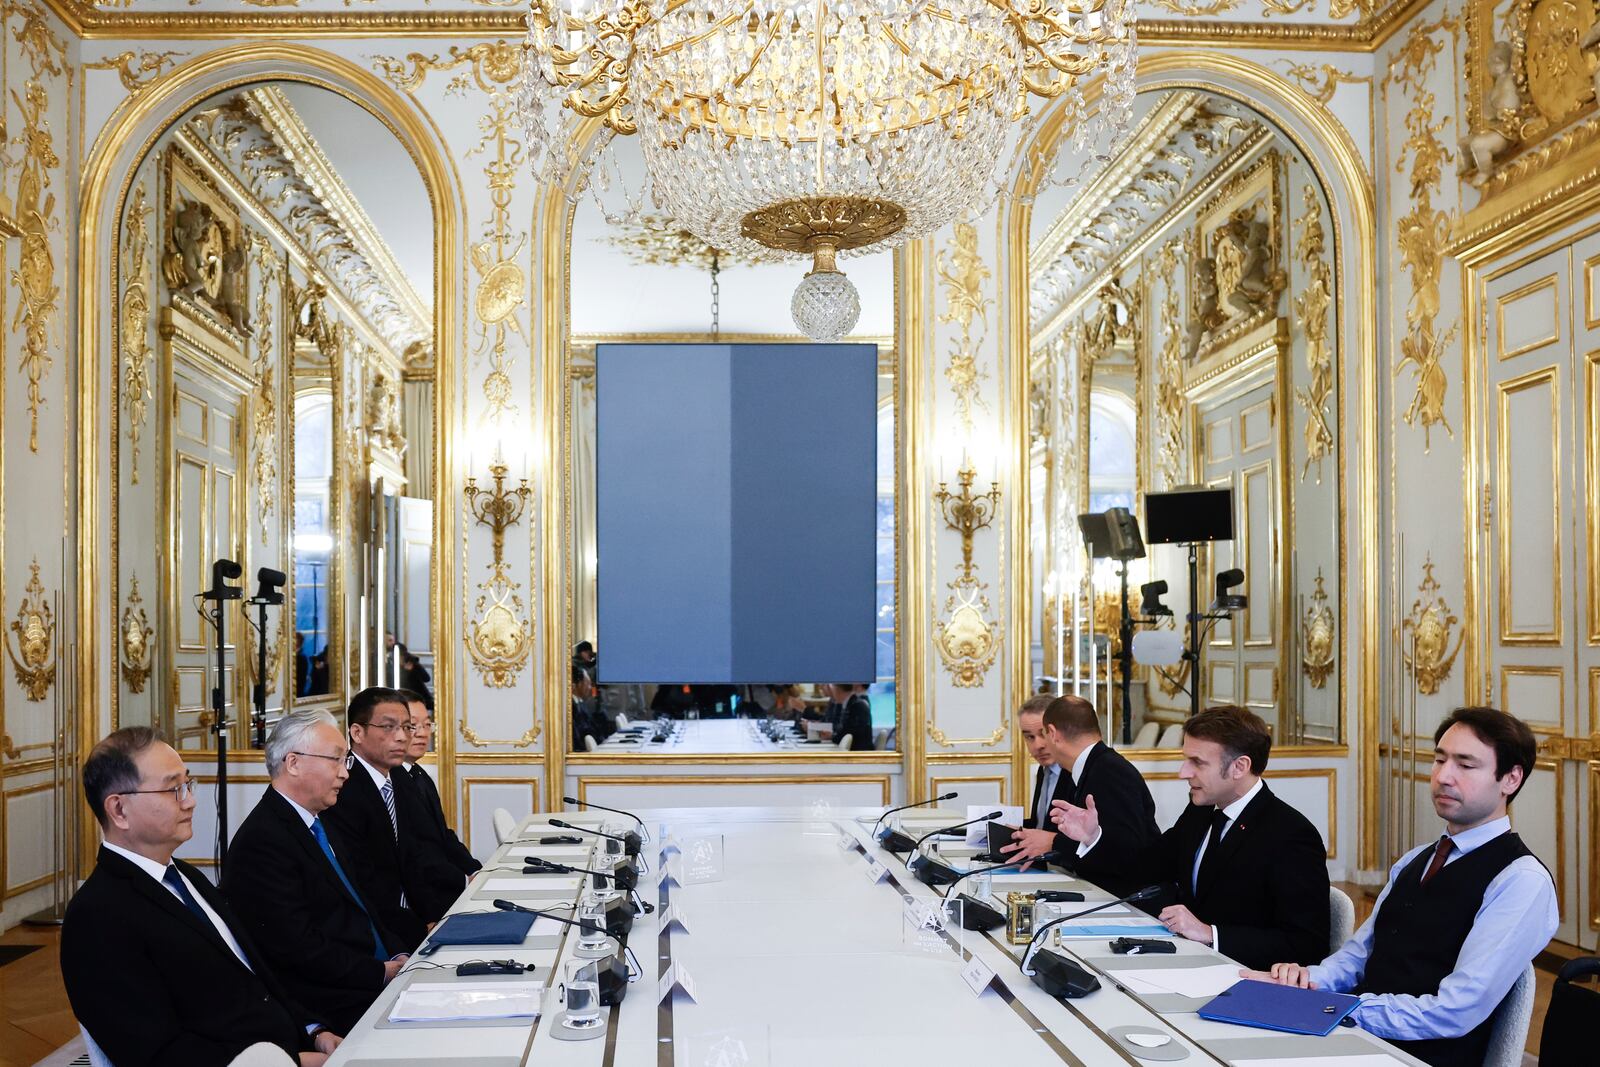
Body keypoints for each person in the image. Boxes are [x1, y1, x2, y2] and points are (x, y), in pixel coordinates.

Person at [1249, 707, 1557, 1067]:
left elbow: (1455, 1011)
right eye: (1439, 760)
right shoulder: (1414, 860)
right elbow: (1358, 957)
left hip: (1415, 1056)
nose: (1444, 776)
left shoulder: (1521, 881)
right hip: (1354, 1037)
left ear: (1511, 779)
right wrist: (1302, 981)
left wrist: (1341, 1010)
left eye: (1465, 765)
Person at [63, 727, 342, 1067]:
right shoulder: (97, 915)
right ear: (119, 809)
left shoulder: (186, 875)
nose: (190, 800)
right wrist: (291, 1062)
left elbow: (254, 975)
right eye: (173, 789)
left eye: (188, 784)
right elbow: (155, 1052)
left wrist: (313, 1030)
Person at [1051, 704, 1329, 970]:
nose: (1184, 772)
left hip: (1242, 977)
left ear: (1240, 766)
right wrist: (1093, 837)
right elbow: (1144, 868)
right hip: (1184, 961)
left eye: (1197, 762)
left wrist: (1210, 933)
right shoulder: (1202, 812)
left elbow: (1306, 945)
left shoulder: (1291, 835)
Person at [224, 710, 407, 1035]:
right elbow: (298, 949)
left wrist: (401, 955)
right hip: (337, 1003)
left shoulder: (318, 821)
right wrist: (381, 972)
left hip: (374, 977)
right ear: (293, 763)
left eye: (345, 761)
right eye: (335, 761)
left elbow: (363, 907)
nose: (345, 774)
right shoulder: (263, 842)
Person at [1005, 695, 1158, 895]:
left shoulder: (1109, 771)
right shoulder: (1095, 766)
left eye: (1042, 733)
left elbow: (1127, 851)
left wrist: (1054, 842)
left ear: (1053, 733)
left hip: (1126, 901)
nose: (1040, 745)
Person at [321, 687, 435, 949]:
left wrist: (435, 918)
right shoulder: (343, 791)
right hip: (380, 934)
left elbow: (415, 858)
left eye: (407, 727)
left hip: (414, 918)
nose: (401, 737)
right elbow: (363, 883)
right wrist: (419, 930)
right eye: (388, 727)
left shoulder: (398, 778)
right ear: (357, 732)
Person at [392, 690, 476, 918]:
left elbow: (443, 835)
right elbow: (418, 853)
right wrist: (463, 880)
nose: (421, 733)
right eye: (412, 725)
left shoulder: (419, 774)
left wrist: (476, 869)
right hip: (425, 901)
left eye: (427, 725)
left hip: (447, 885)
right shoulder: (392, 782)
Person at [830, 683, 874, 750]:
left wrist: (831, 736)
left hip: (859, 754)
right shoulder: (852, 703)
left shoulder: (857, 706)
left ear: (837, 689)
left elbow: (847, 734)